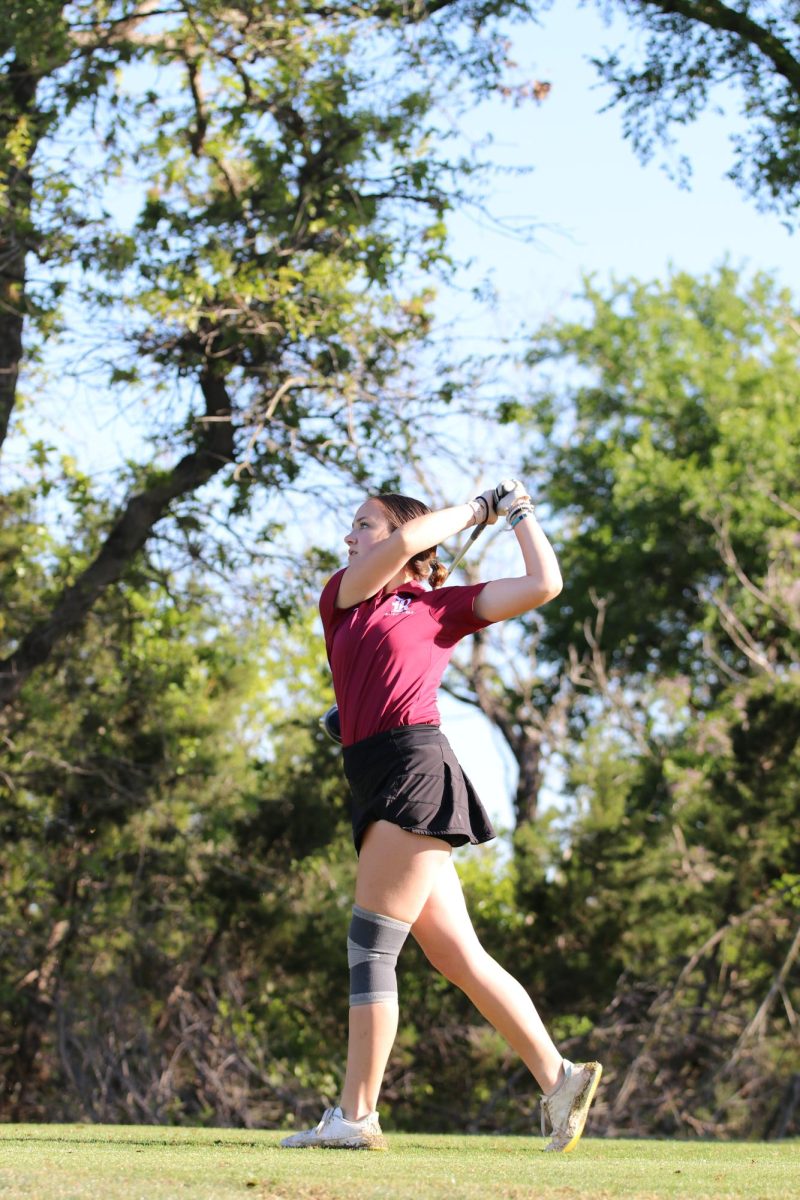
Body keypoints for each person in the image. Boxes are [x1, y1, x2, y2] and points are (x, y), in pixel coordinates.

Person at [280, 482, 602, 1153]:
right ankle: (560, 1077)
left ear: (409, 532)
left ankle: (356, 1115)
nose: (351, 538)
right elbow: (399, 547)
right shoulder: (343, 597)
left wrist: (511, 515)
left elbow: (544, 583)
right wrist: (465, 515)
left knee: (371, 949)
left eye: (363, 525)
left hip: (413, 768)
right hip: (373, 775)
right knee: (458, 955)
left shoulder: (438, 607)